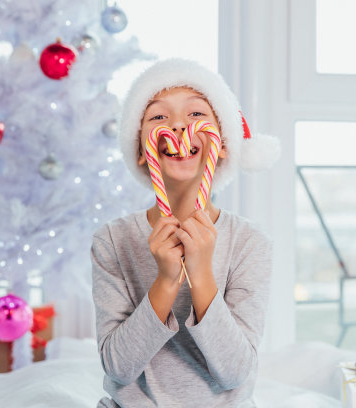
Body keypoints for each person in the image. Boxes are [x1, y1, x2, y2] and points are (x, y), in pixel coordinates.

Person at [91, 58, 279, 407]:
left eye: (196, 114)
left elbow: (235, 372)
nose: (178, 125)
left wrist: (201, 274)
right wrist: (165, 281)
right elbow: (118, 368)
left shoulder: (250, 243)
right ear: (141, 150)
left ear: (222, 144)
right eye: (159, 117)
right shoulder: (113, 242)